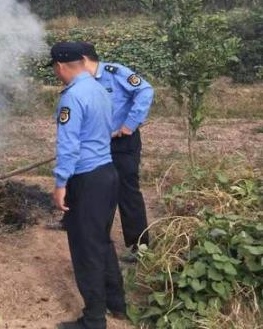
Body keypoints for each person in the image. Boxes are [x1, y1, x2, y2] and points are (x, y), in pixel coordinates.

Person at [49, 42, 125, 329]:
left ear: (59, 67)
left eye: (55, 69)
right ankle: (117, 305)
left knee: (86, 250)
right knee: (102, 243)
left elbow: (68, 146)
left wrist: (60, 184)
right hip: (108, 173)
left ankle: (93, 320)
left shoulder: (71, 97)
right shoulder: (98, 88)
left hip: (87, 179)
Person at [77, 42, 154, 255]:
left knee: (126, 192)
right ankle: (96, 244)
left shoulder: (115, 72)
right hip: (95, 143)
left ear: (83, 59)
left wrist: (130, 124)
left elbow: (145, 91)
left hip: (122, 143)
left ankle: (140, 246)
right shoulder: (79, 83)